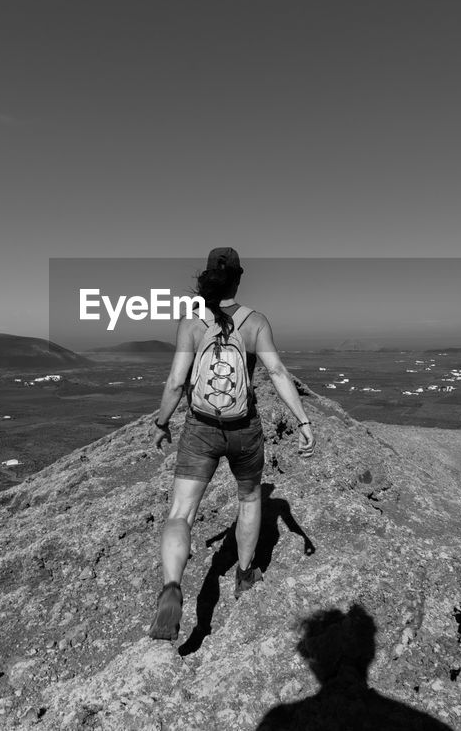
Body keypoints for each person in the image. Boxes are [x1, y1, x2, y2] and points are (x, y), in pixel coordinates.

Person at [148, 247, 315, 641]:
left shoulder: (191, 323)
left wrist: (161, 423)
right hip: (244, 430)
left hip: (201, 429)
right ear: (238, 279)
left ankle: (172, 586)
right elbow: (275, 370)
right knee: (251, 500)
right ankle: (243, 574)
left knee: (180, 513)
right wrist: (303, 420)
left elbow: (175, 383)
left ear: (207, 278)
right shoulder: (256, 322)